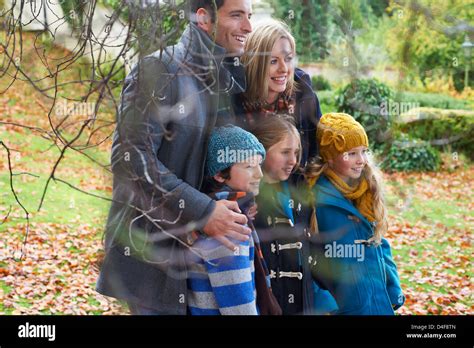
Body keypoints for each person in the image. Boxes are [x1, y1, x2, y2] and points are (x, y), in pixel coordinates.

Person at [96, 0, 255, 315]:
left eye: (249, 16)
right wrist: (203, 211)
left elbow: (211, 167)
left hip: (201, 267)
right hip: (151, 257)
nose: (248, 27)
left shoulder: (225, 82)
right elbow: (131, 158)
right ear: (203, 19)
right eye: (237, 15)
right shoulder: (159, 70)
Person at [305, 113, 405, 315]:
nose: (361, 160)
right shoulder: (314, 199)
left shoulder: (366, 190)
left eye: (364, 151)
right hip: (345, 308)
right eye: (351, 154)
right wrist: (326, 304)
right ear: (330, 158)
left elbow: (379, 243)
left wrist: (393, 290)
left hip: (379, 303)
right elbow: (306, 257)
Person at [186, 125, 281, 315]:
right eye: (249, 166)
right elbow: (239, 304)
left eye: (259, 165)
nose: (259, 174)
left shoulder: (215, 212)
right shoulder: (228, 224)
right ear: (220, 174)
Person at [250, 115, 327, 315]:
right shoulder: (246, 199)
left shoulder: (301, 188)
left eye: (296, 152)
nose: (293, 160)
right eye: (285, 152)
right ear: (261, 150)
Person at [233, 19, 322, 168]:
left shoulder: (304, 96)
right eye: (273, 61)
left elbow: (317, 155)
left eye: (288, 59)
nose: (284, 69)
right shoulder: (233, 100)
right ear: (255, 63)